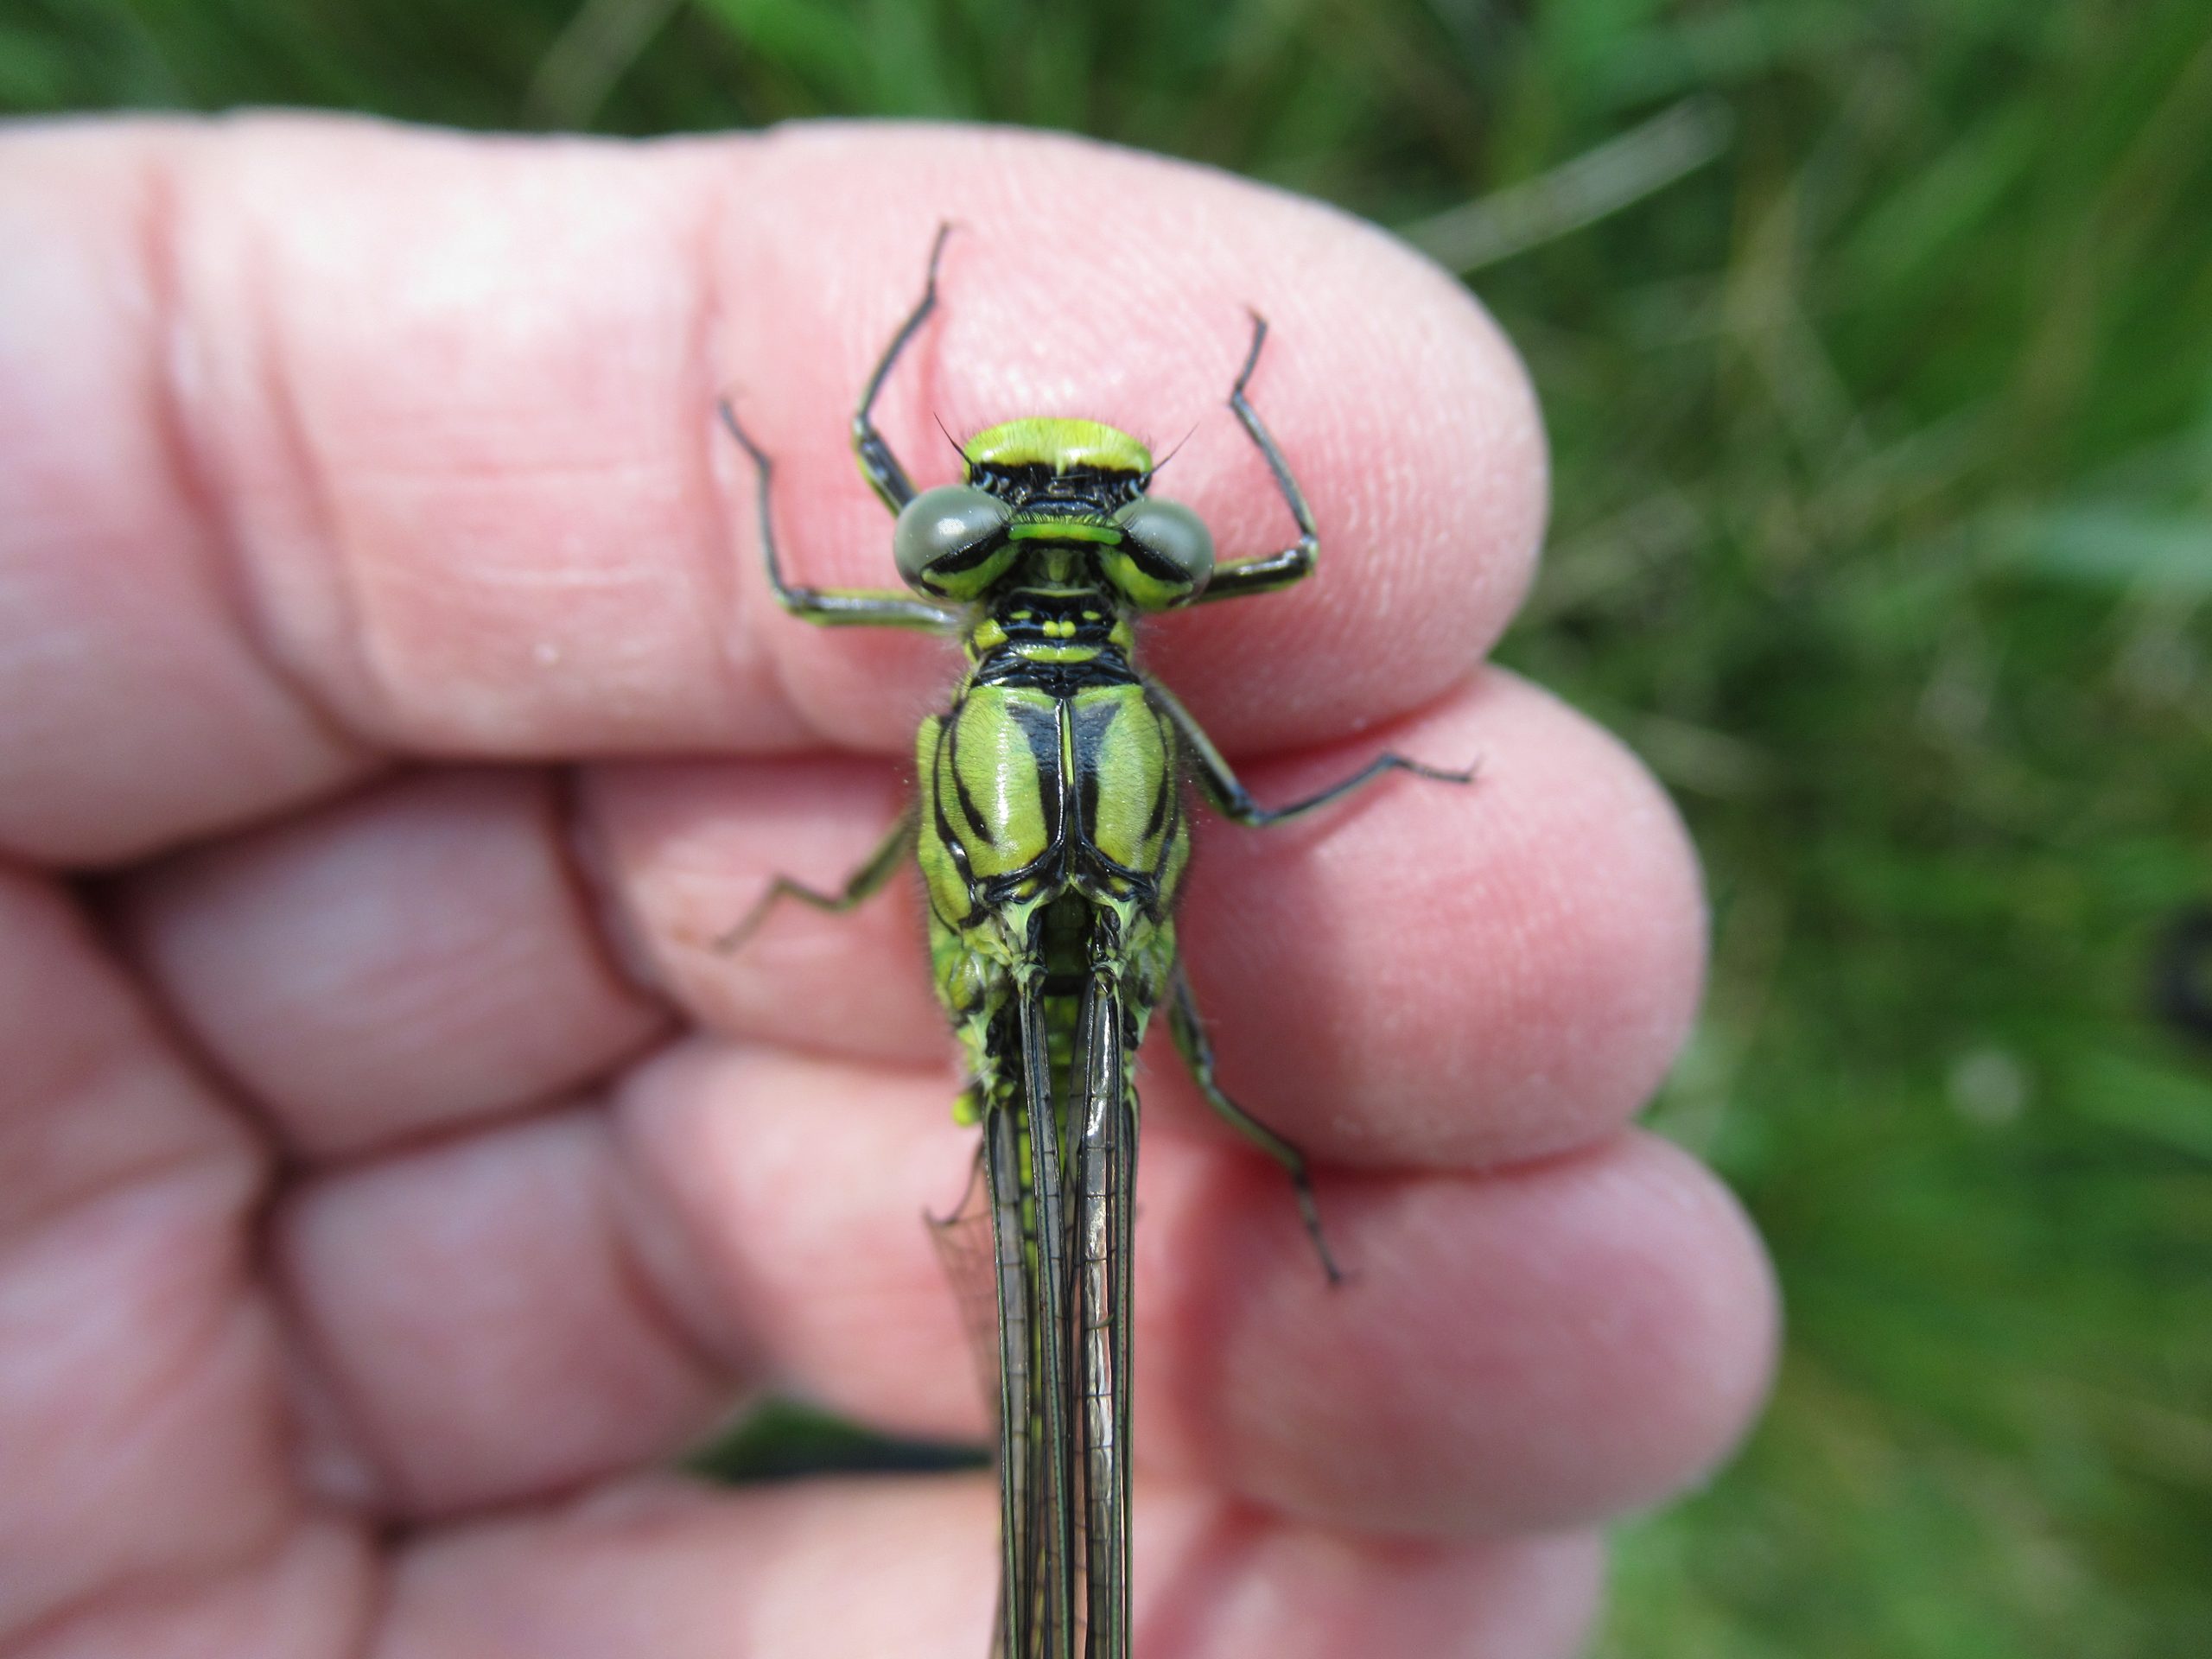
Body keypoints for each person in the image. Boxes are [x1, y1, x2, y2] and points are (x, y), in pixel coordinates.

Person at [0, 117, 1776, 1656]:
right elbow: (1284, 572)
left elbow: (836, 516)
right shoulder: (1156, 678)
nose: (1062, 530)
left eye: (1100, 527)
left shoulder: (944, 638)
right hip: (1039, 1030)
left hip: (1053, 1018)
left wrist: (880, 385)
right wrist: (1226, 431)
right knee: (1186, 1141)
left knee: (1174, 1151)